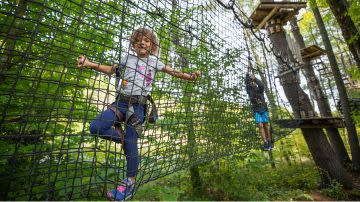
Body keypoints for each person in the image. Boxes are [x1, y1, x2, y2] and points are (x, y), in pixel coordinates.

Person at [77, 27, 201, 201]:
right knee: (96, 127)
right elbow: (111, 70)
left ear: (152, 45)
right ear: (133, 45)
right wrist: (89, 64)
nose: (142, 42)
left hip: (138, 107)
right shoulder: (127, 58)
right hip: (120, 103)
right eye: (138, 40)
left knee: (131, 140)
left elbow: (172, 71)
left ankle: (129, 182)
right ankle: (123, 137)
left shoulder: (154, 61)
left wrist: (190, 77)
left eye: (146, 40)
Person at [245, 69, 273, 151]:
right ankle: (265, 143)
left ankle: (269, 141)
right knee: (260, 125)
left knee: (266, 125)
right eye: (251, 82)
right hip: (256, 110)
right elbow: (246, 82)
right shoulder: (249, 91)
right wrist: (248, 74)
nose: (252, 83)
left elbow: (261, 85)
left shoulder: (260, 90)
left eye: (253, 82)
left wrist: (255, 78)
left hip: (263, 109)